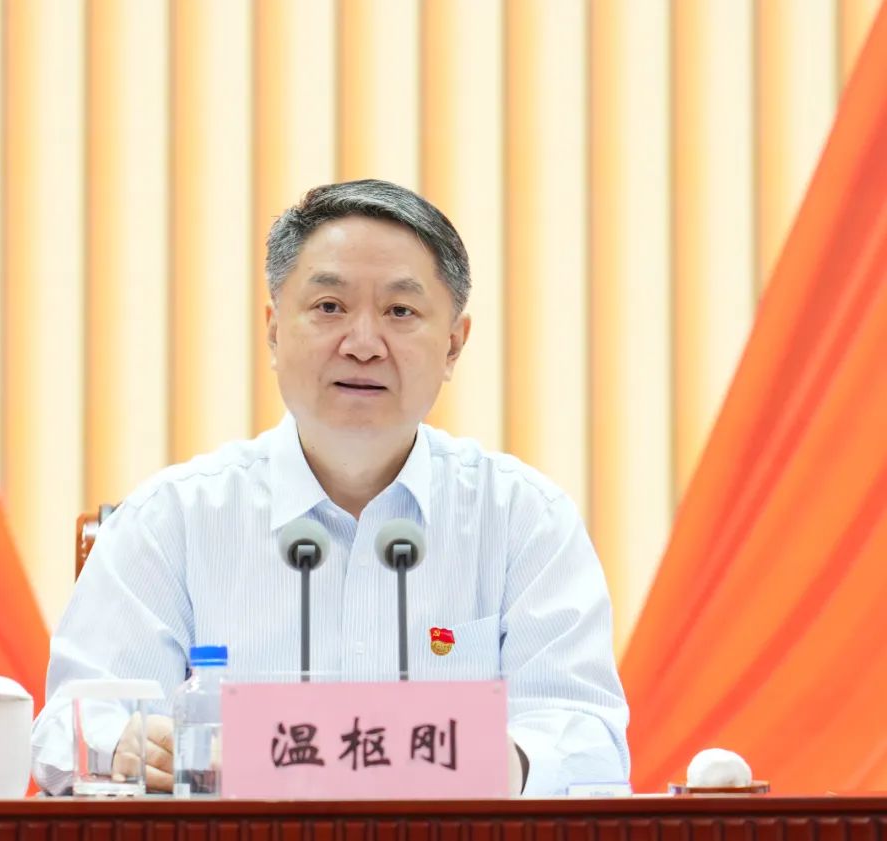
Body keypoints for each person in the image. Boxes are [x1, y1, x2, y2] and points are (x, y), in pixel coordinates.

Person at [31, 179, 630, 795]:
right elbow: (67, 729)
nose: (363, 345)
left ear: (453, 344)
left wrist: (504, 759)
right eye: (328, 307)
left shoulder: (525, 521)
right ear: (273, 331)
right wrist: (125, 746)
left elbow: (587, 738)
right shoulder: (173, 519)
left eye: (400, 312)